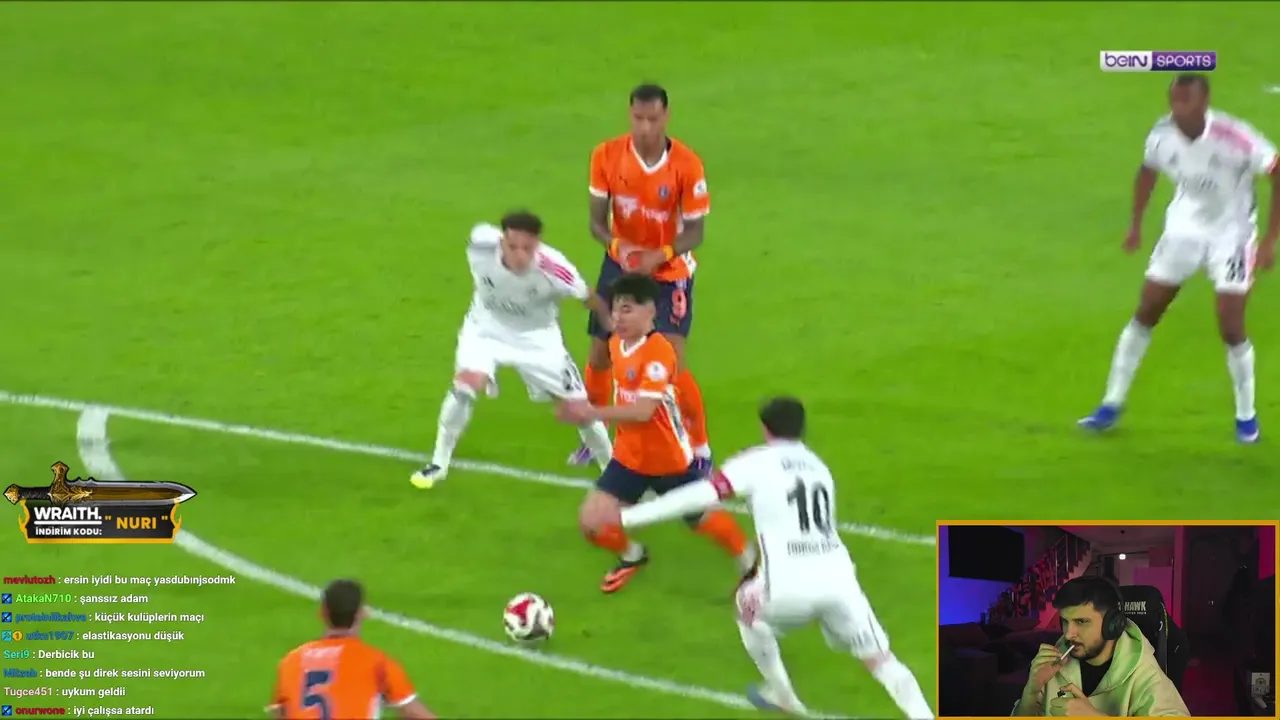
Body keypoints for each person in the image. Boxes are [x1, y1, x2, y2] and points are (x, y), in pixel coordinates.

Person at [590, 396, 935, 719]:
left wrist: (629, 517)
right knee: (883, 662)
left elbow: (698, 496)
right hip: (840, 582)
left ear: (765, 428)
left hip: (788, 586)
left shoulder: (756, 462)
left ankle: (782, 692)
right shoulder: (819, 468)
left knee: (746, 604)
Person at [1079, 73, 1279, 443]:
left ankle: (1246, 415)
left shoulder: (1234, 137)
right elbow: (1147, 171)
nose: (1177, 108)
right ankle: (1110, 404)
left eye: (1185, 101)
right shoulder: (1162, 134)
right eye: (1173, 100)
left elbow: (1276, 170)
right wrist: (1135, 224)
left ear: (1204, 102)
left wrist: (1270, 239)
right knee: (1147, 309)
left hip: (1232, 234)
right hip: (1184, 229)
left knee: (1231, 323)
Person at [557, 273, 753, 593]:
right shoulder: (617, 343)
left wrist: (591, 412)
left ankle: (749, 562)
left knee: (701, 519)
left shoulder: (659, 353)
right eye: (616, 309)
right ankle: (633, 555)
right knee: (591, 523)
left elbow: (644, 411)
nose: (619, 317)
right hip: (629, 459)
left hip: (669, 461)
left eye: (627, 309)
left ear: (650, 311)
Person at [567, 83, 713, 473]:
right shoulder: (606, 155)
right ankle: (596, 436)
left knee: (673, 364)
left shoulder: (687, 164)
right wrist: (620, 249)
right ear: (629, 115)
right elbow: (596, 223)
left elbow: (696, 232)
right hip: (621, 264)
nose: (645, 127)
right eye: (638, 118)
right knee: (600, 353)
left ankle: (699, 449)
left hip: (670, 271)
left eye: (653, 119)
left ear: (666, 116)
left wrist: (658, 255)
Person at [410, 211, 614, 488]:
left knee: (579, 410)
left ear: (537, 245)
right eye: (512, 246)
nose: (519, 255)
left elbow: (588, 297)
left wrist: (610, 322)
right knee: (466, 386)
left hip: (538, 340)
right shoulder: (481, 244)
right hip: (485, 329)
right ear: (501, 241)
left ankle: (612, 474)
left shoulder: (556, 269)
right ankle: (438, 463)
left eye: (527, 248)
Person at [1014, 577, 1188, 717]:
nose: (1068, 634)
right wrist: (1031, 692)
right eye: (1065, 621)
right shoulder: (1053, 663)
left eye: (1081, 622)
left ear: (1112, 625)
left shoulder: (1144, 673)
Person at [268, 578, 435, 719]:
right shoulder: (377, 663)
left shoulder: (291, 662)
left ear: (322, 613)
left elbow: (281, 714)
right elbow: (415, 713)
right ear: (362, 613)